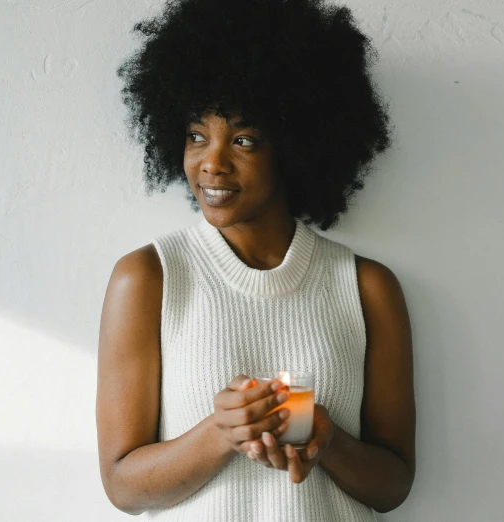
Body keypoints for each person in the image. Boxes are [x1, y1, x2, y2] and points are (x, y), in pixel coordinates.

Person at [96, 0, 416, 519]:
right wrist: (219, 434)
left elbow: (393, 485)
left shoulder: (367, 288)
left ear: (295, 147)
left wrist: (327, 439)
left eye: (243, 140)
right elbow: (123, 488)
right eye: (197, 135)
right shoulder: (148, 278)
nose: (211, 163)